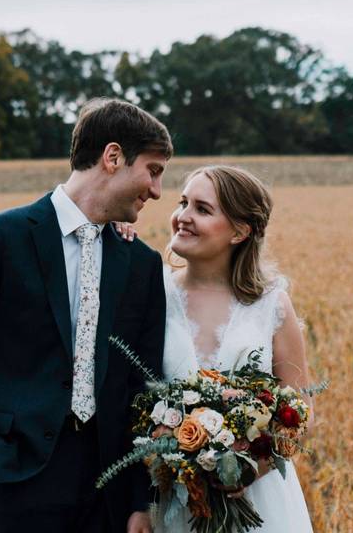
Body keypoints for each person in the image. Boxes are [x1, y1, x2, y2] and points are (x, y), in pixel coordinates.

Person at [0, 97, 173, 533]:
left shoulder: (141, 263)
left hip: (110, 491)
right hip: (17, 479)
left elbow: (144, 386)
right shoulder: (0, 237)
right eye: (153, 171)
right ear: (113, 157)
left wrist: (141, 498)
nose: (156, 191)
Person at [117, 165, 315, 533]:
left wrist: (246, 470)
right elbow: (126, 403)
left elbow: (299, 412)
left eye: (202, 209)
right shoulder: (151, 293)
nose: (182, 218)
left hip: (258, 504)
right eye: (183, 203)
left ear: (240, 231)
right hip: (170, 503)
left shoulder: (272, 304)